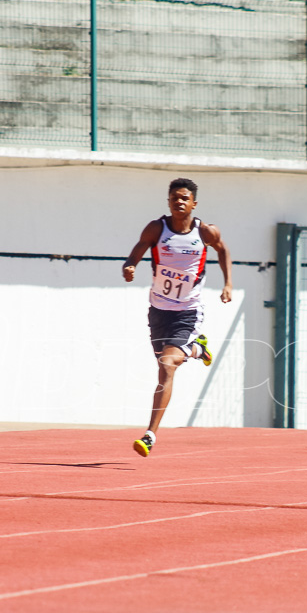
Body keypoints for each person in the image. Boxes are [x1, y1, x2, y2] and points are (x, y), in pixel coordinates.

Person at [122, 178, 233, 457]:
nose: (179, 202)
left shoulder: (205, 232)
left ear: (194, 203)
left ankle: (150, 435)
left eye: (185, 198)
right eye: (174, 198)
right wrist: (130, 265)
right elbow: (138, 250)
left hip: (188, 311)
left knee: (168, 364)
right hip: (159, 311)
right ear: (168, 202)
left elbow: (223, 251)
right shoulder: (156, 228)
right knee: (164, 364)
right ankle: (198, 348)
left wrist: (228, 283)